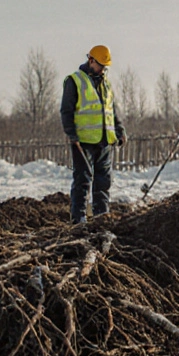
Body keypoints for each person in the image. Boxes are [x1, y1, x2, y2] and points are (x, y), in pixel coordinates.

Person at [60, 44, 126, 223]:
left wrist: (120, 131)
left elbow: (112, 111)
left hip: (104, 141)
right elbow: (66, 111)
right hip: (83, 142)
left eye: (105, 66)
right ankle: (78, 218)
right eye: (101, 65)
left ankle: (101, 217)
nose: (103, 69)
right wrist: (71, 135)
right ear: (91, 60)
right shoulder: (74, 81)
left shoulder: (105, 84)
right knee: (82, 180)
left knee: (103, 182)